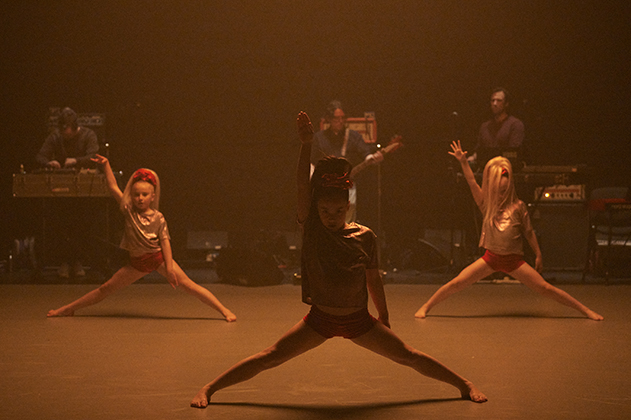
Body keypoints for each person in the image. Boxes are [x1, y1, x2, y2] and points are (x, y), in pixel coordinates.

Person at [190, 112, 487, 408]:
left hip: (358, 320)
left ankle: (464, 383)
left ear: (347, 207)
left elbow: (373, 279)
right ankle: (210, 388)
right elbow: (301, 188)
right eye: (324, 211)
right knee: (270, 356)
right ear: (317, 210)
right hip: (320, 319)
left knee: (408, 355)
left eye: (336, 211)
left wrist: (383, 317)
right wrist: (305, 144)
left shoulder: (365, 236)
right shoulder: (313, 230)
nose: (330, 217)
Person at [414, 141, 603, 321]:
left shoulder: (519, 207)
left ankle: (584, 310)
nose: (501, 193)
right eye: (498, 190)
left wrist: (538, 254)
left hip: (514, 261)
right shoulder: (486, 205)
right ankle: (426, 306)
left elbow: (529, 232)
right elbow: (472, 182)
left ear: (510, 187)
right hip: (490, 259)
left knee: (545, 288)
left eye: (504, 190)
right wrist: (463, 162)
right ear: (492, 189)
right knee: (457, 282)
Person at [47, 154, 237, 322]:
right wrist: (106, 165)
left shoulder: (158, 217)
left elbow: (165, 243)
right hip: (137, 263)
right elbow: (113, 186)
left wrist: (170, 269)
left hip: (157, 259)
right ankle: (67, 309)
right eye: (136, 194)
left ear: (152, 196)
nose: (139, 198)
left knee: (189, 286)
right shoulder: (129, 211)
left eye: (144, 195)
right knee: (105, 289)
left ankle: (223, 309)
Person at [36, 107, 100, 277]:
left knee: (81, 225)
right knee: (61, 225)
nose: (66, 135)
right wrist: (50, 162)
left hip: (84, 192)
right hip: (60, 191)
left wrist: (76, 161)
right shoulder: (55, 136)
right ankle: (64, 262)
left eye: (69, 132)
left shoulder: (88, 135)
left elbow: (94, 156)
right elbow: (40, 156)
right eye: (63, 131)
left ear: (76, 127)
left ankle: (78, 262)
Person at [311, 100, 383, 223]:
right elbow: (311, 161)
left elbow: (365, 154)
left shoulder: (353, 136)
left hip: (347, 185)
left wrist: (372, 158)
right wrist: (312, 178)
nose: (340, 121)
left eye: (342, 118)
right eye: (336, 118)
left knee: (347, 217)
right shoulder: (319, 138)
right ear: (328, 119)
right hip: (324, 186)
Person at [468, 88, 525, 170]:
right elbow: (480, 150)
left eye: (499, 100)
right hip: (487, 171)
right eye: (492, 100)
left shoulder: (515, 124)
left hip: (506, 171)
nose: (495, 103)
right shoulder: (485, 126)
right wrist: (472, 158)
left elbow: (513, 152)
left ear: (506, 104)